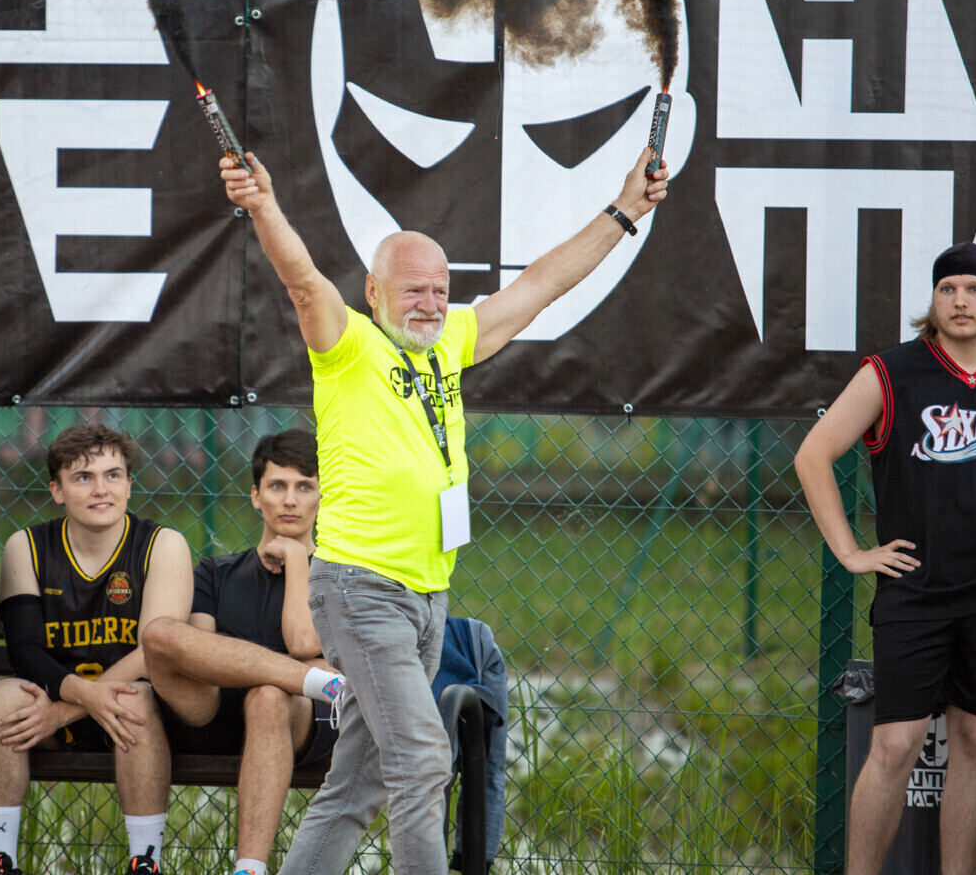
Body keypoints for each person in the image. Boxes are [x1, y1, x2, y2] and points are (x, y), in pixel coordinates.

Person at [219, 143, 668, 873]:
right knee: (426, 757)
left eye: (440, 289)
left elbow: (544, 282)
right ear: (373, 292)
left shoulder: (449, 344)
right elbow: (303, 283)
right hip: (361, 590)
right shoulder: (348, 349)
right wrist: (264, 205)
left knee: (356, 786)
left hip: (426, 598)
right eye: (413, 290)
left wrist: (625, 210)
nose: (430, 303)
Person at [794, 241, 976, 875]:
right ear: (933, 300)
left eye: (975, 289)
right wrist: (850, 551)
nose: (961, 301)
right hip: (916, 588)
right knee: (895, 743)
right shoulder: (892, 372)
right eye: (949, 289)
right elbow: (813, 455)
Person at [0, 424, 192, 875]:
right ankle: (0, 861)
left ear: (130, 484)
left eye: (113, 476)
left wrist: (72, 708)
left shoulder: (163, 545)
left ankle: (144, 861)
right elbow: (25, 651)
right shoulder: (27, 547)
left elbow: (155, 654)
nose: (101, 489)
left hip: (133, 713)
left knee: (137, 697)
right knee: (1, 697)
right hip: (49, 706)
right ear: (56, 489)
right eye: (83, 478)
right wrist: (78, 698)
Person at [142, 430, 346, 875]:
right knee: (160, 635)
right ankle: (319, 682)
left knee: (269, 697)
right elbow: (197, 658)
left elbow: (305, 642)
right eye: (277, 487)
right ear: (256, 497)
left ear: (320, 496)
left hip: (294, 722)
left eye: (304, 487)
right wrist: (294, 668)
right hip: (210, 712)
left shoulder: (339, 575)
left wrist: (297, 561)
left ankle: (248, 870)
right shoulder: (216, 572)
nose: (289, 500)